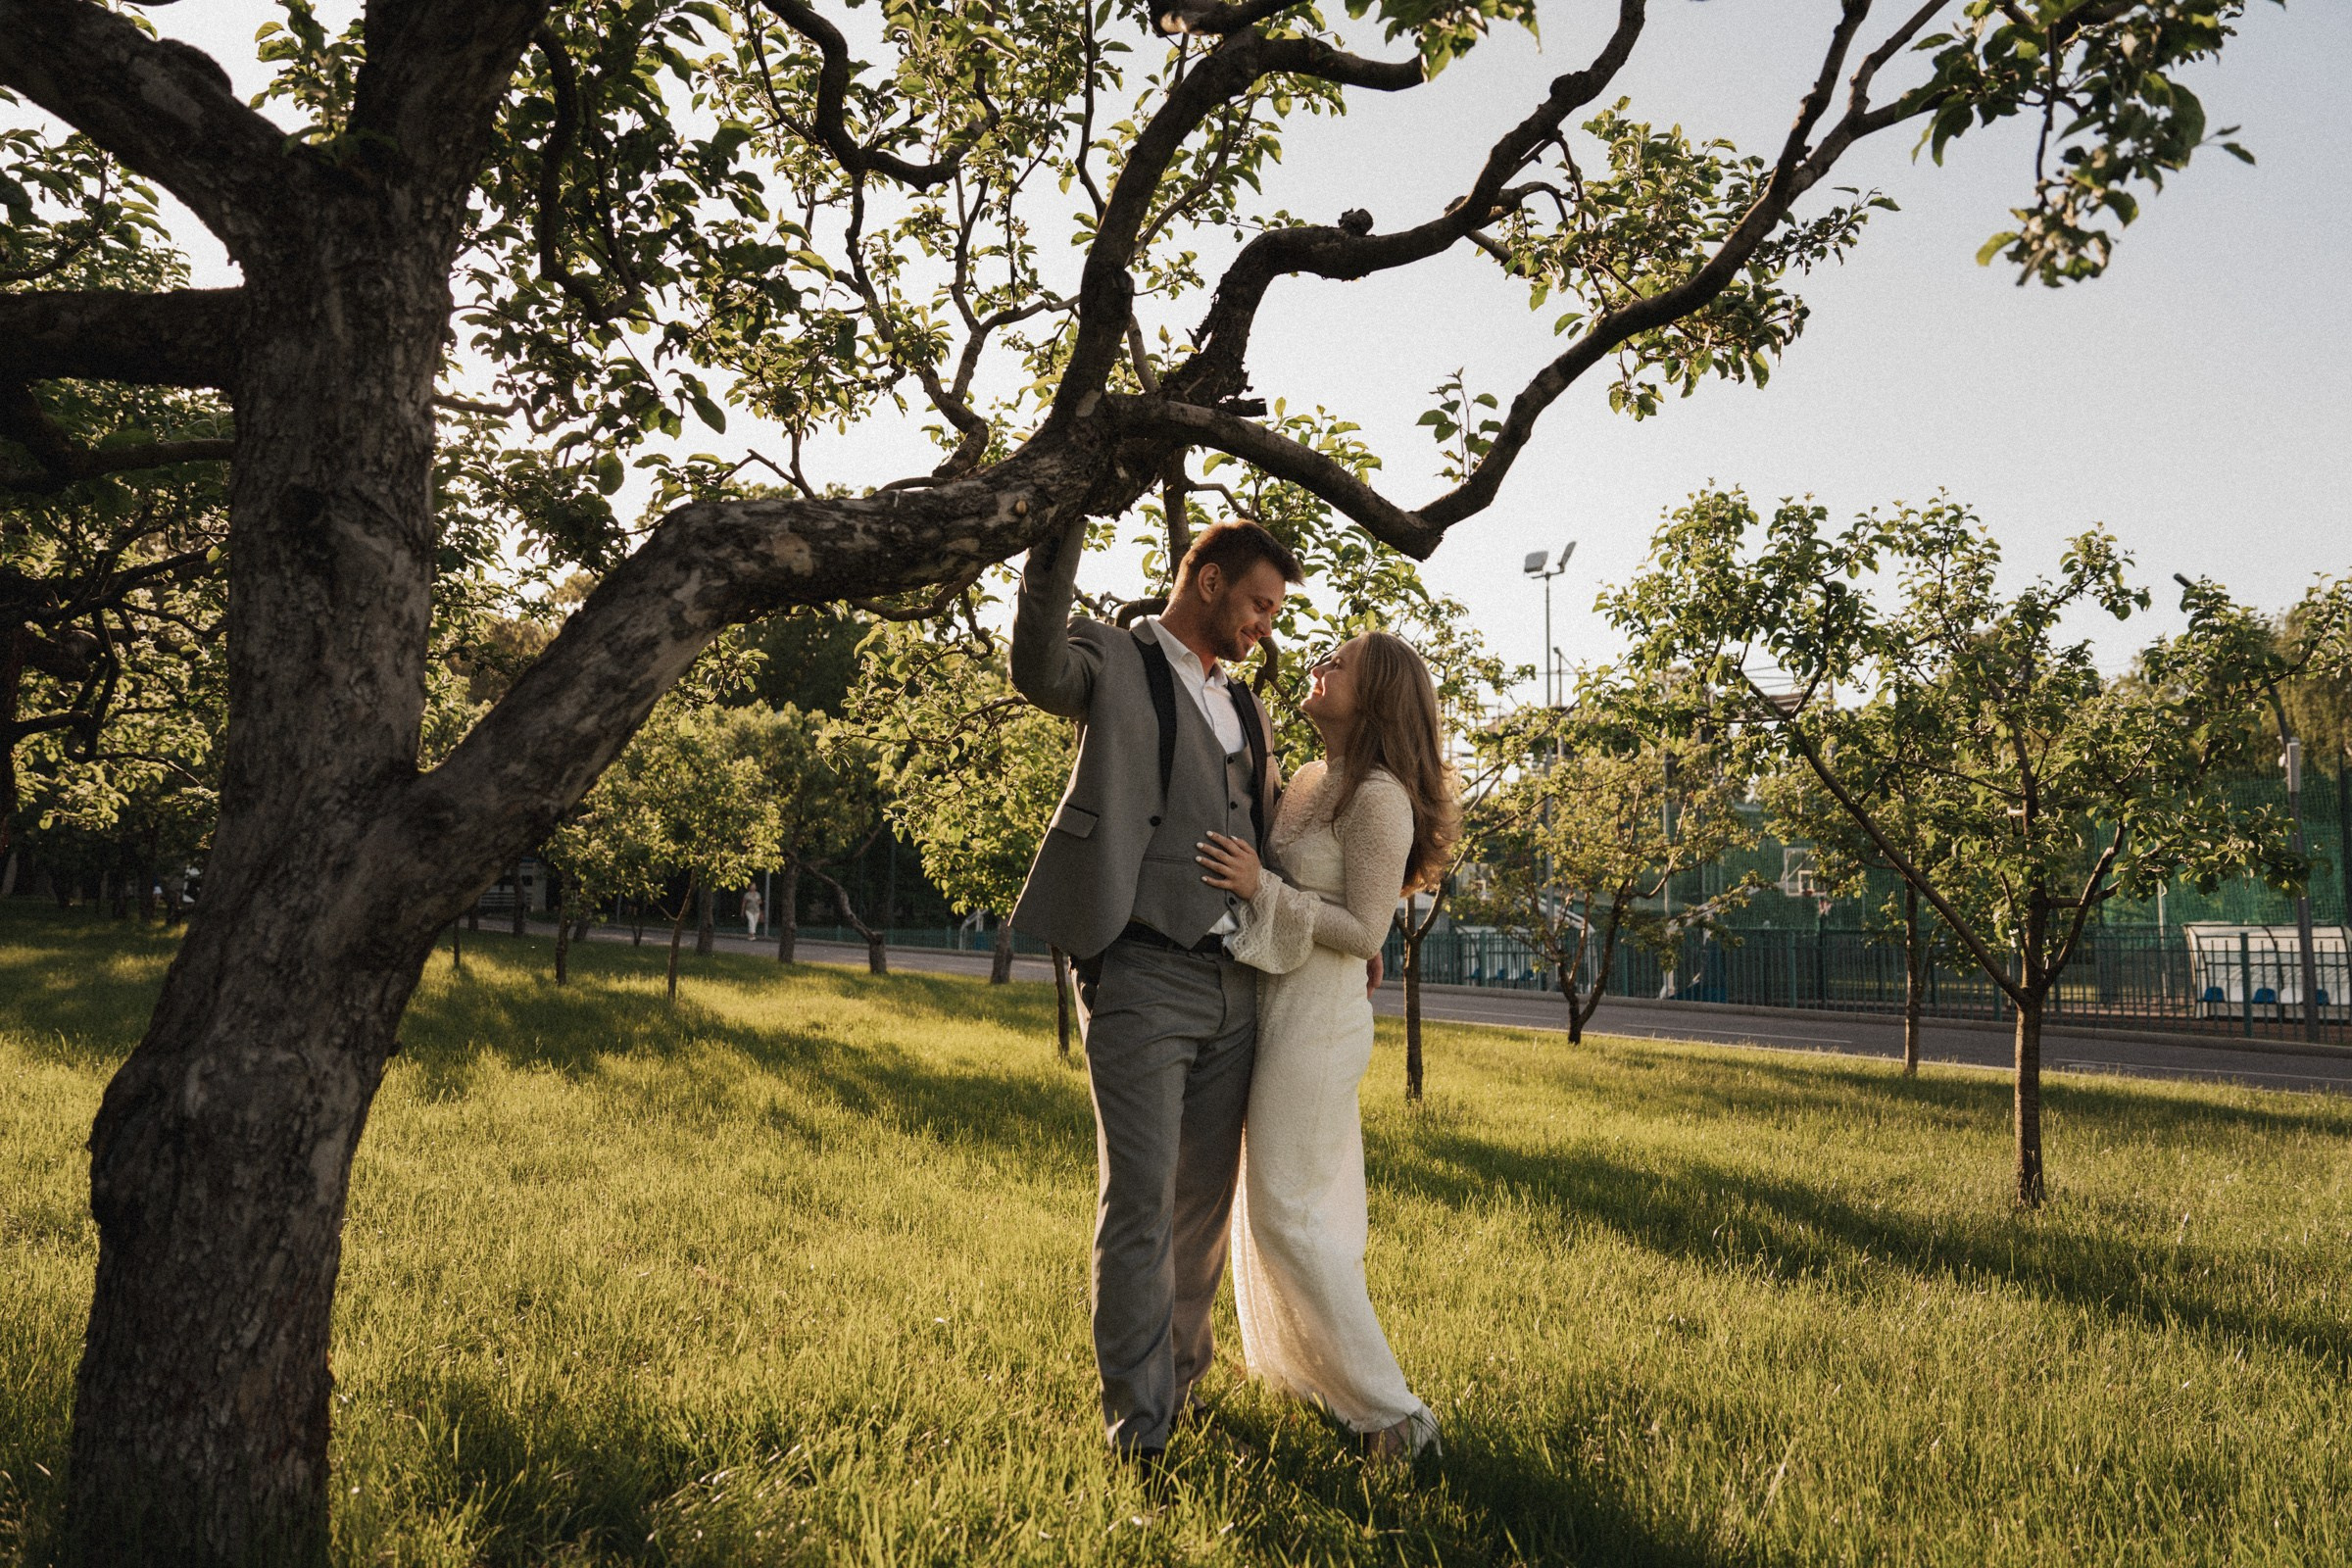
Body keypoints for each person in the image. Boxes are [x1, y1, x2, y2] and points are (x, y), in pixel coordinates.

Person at [1007, 516, 1298, 1463]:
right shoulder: (1112, 656)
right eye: (1258, 603)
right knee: (1140, 1200)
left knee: (1202, 1211)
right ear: (1207, 582)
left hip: (1234, 988)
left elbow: (1274, 838)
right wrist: (1060, 519)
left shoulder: (1250, 708)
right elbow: (1036, 670)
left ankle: (1183, 1389)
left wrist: (1337, 934)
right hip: (1139, 971)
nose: (1265, 624)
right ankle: (1138, 1426)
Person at [1195, 630, 1456, 1461]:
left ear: (1375, 694)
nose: (1318, 668)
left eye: (1337, 665)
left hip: (1319, 1017)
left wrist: (1262, 887)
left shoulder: (1379, 795)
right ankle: (1299, 1374)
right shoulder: (1309, 778)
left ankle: (1395, 1415)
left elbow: (1367, 928)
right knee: (1269, 1203)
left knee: (1289, 1210)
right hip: (1268, 1003)